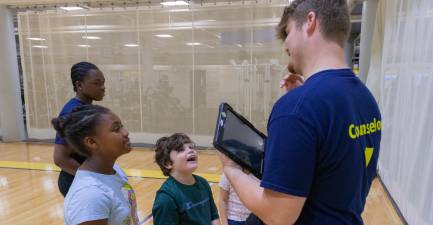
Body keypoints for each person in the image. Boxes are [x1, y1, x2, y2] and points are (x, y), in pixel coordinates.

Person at [218, 0, 382, 225]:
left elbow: (278, 216)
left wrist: (231, 169)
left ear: (310, 22)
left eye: (287, 32)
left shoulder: (298, 108)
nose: (285, 44)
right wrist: (304, 96)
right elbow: (334, 171)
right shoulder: (365, 98)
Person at [51, 105, 139, 225]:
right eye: (116, 129)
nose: (126, 132)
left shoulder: (114, 170)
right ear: (91, 142)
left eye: (121, 126)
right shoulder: (89, 195)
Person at [53, 61, 106, 197]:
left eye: (103, 83)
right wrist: (90, 179)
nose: (102, 88)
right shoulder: (72, 112)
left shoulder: (87, 108)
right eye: (96, 83)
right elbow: (60, 158)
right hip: (74, 180)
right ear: (79, 85)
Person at [152, 133, 220, 225]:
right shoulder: (166, 199)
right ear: (168, 163)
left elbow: (214, 216)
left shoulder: (203, 183)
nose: (191, 151)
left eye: (191, 147)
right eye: (181, 150)